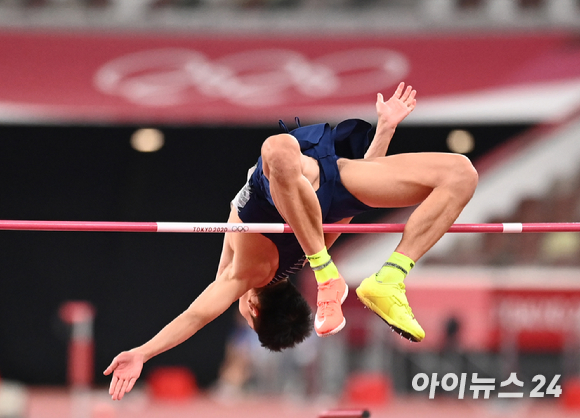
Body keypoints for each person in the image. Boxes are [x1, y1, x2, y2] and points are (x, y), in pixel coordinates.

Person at [104, 82, 478, 400]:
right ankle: (382, 275)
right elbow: (197, 314)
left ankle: (369, 278)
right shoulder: (249, 273)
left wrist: (385, 131)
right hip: (307, 177)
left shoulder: (262, 265)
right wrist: (142, 353)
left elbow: (353, 202)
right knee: (459, 173)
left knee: (284, 154)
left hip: (316, 180)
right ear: (253, 310)